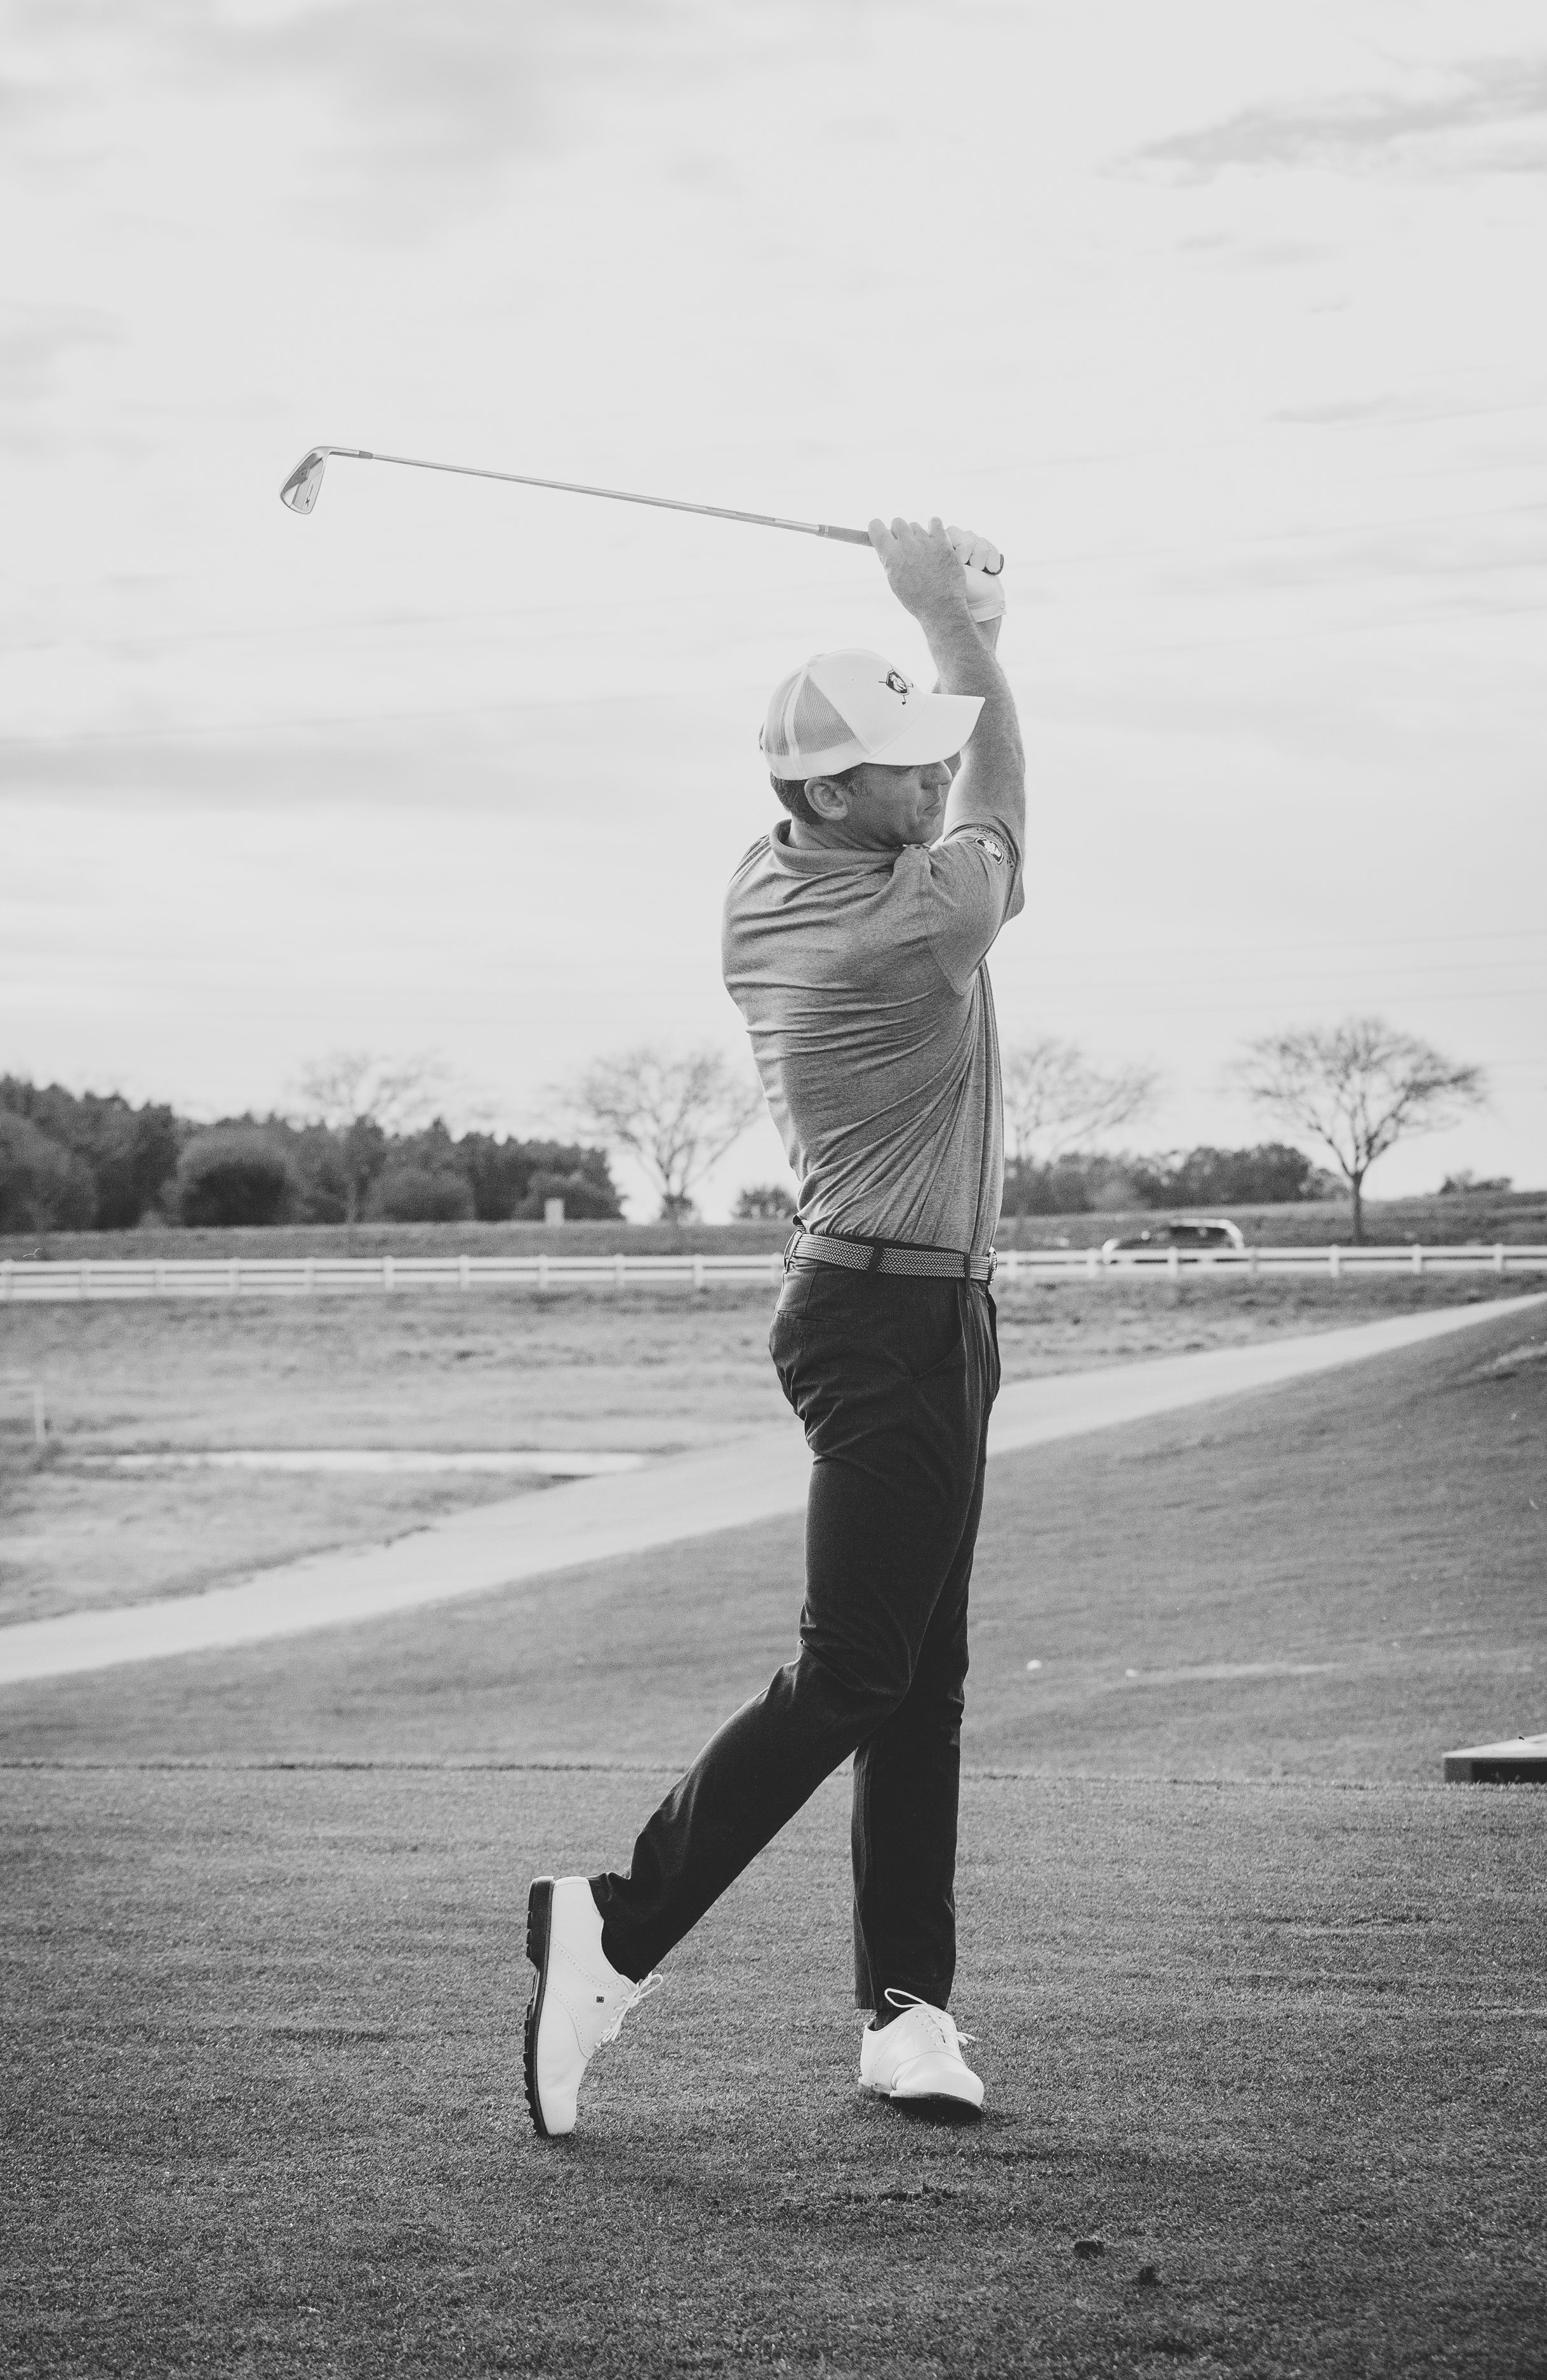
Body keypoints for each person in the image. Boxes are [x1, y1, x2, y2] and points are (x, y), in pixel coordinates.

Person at [523, 515, 1025, 2136]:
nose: (933, 785)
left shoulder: (773, 878)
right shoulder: (904, 922)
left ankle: (906, 2012)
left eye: (925, 762)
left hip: (912, 1308)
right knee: (857, 1668)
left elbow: (957, 746)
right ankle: (616, 1925)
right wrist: (961, 628)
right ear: (824, 797)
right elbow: (1011, 791)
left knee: (917, 1676)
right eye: (899, 772)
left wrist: (954, 634)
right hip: (886, 1318)